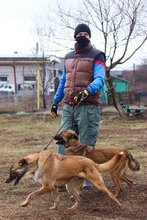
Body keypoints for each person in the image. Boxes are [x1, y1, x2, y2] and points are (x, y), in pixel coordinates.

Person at [51, 24, 105, 187]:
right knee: (63, 141)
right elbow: (63, 82)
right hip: (68, 105)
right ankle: (61, 177)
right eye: (79, 33)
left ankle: (87, 179)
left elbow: (100, 78)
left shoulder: (97, 55)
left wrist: (88, 91)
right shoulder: (68, 57)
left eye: (85, 34)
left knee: (87, 142)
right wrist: (55, 101)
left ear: (89, 36)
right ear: (75, 36)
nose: (82, 36)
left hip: (87, 105)